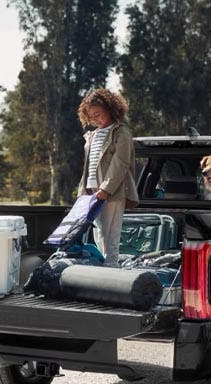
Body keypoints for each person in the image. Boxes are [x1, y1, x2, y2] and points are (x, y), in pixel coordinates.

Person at [76, 88, 139, 267]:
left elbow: (120, 164)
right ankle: (104, 272)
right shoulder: (93, 135)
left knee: (110, 237)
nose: (95, 119)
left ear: (110, 109)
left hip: (111, 192)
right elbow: (88, 166)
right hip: (92, 193)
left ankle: (111, 272)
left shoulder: (121, 133)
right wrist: (84, 192)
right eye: (91, 116)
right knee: (99, 234)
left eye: (98, 114)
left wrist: (105, 189)